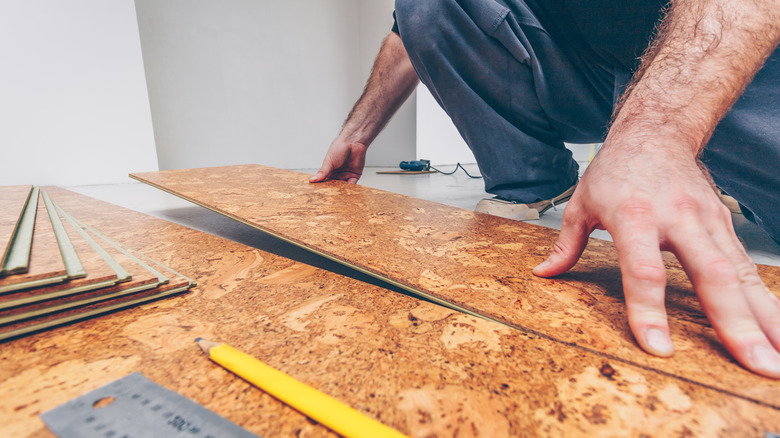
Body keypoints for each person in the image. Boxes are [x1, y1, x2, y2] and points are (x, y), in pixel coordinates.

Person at [310, 0, 780, 378]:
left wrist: (656, 134)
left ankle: (715, 173)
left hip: (738, 58)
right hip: (587, 67)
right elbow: (408, 31)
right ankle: (532, 178)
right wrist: (358, 131)